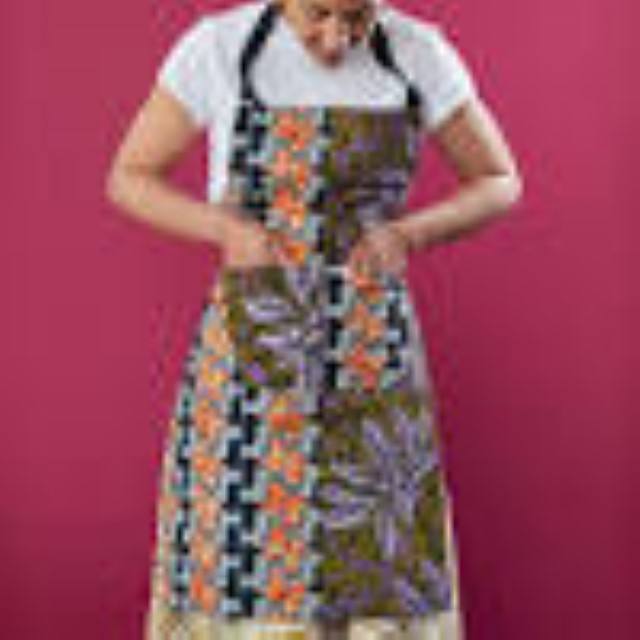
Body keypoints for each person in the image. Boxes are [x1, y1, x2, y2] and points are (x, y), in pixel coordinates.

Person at [106, 1, 522, 638]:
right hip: (252, 356)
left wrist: (409, 234)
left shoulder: (417, 51)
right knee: (242, 571)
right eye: (318, 15)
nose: (335, 40)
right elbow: (130, 176)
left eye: (356, 19)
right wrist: (224, 230)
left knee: (380, 573)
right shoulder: (219, 46)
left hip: (370, 345)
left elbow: (500, 179)